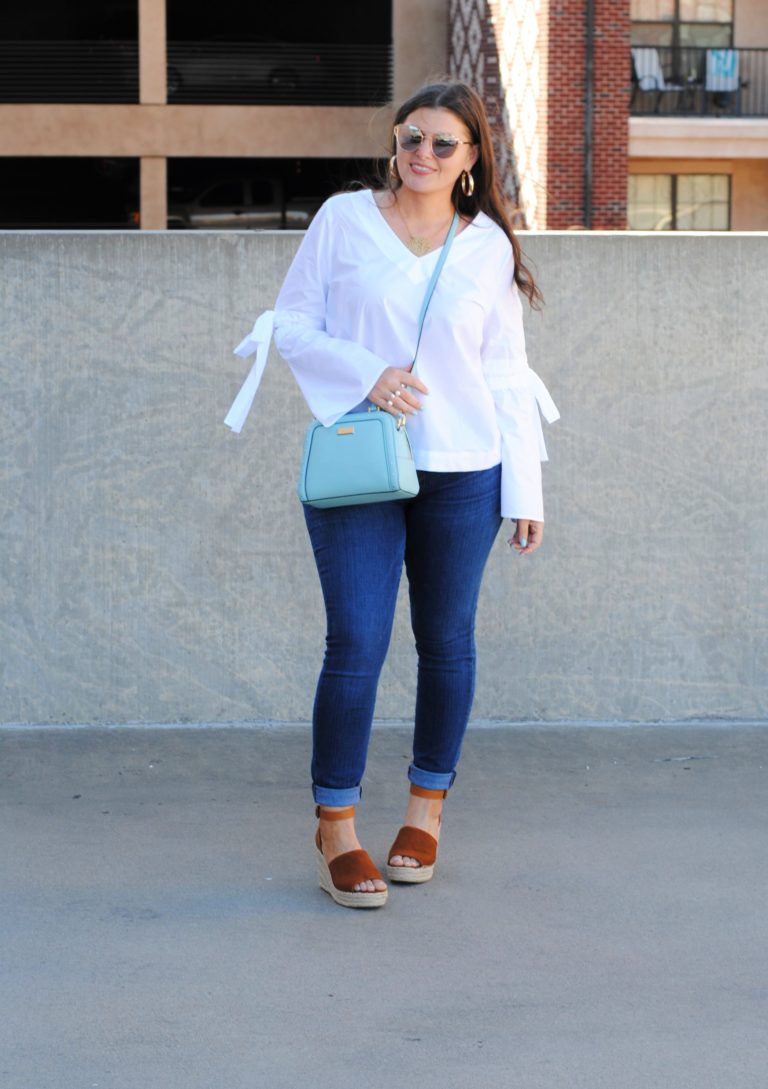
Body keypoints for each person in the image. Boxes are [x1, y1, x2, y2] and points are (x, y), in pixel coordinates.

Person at [226, 80, 559, 909]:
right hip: (358, 461)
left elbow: (503, 373)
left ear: (472, 157)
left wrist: (528, 485)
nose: (422, 154)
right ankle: (336, 825)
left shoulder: (484, 246)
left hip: (464, 468)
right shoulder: (344, 220)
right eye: (411, 138)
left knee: (447, 642)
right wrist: (366, 373)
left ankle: (425, 809)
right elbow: (292, 324)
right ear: (395, 143)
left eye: (443, 143)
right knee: (357, 642)